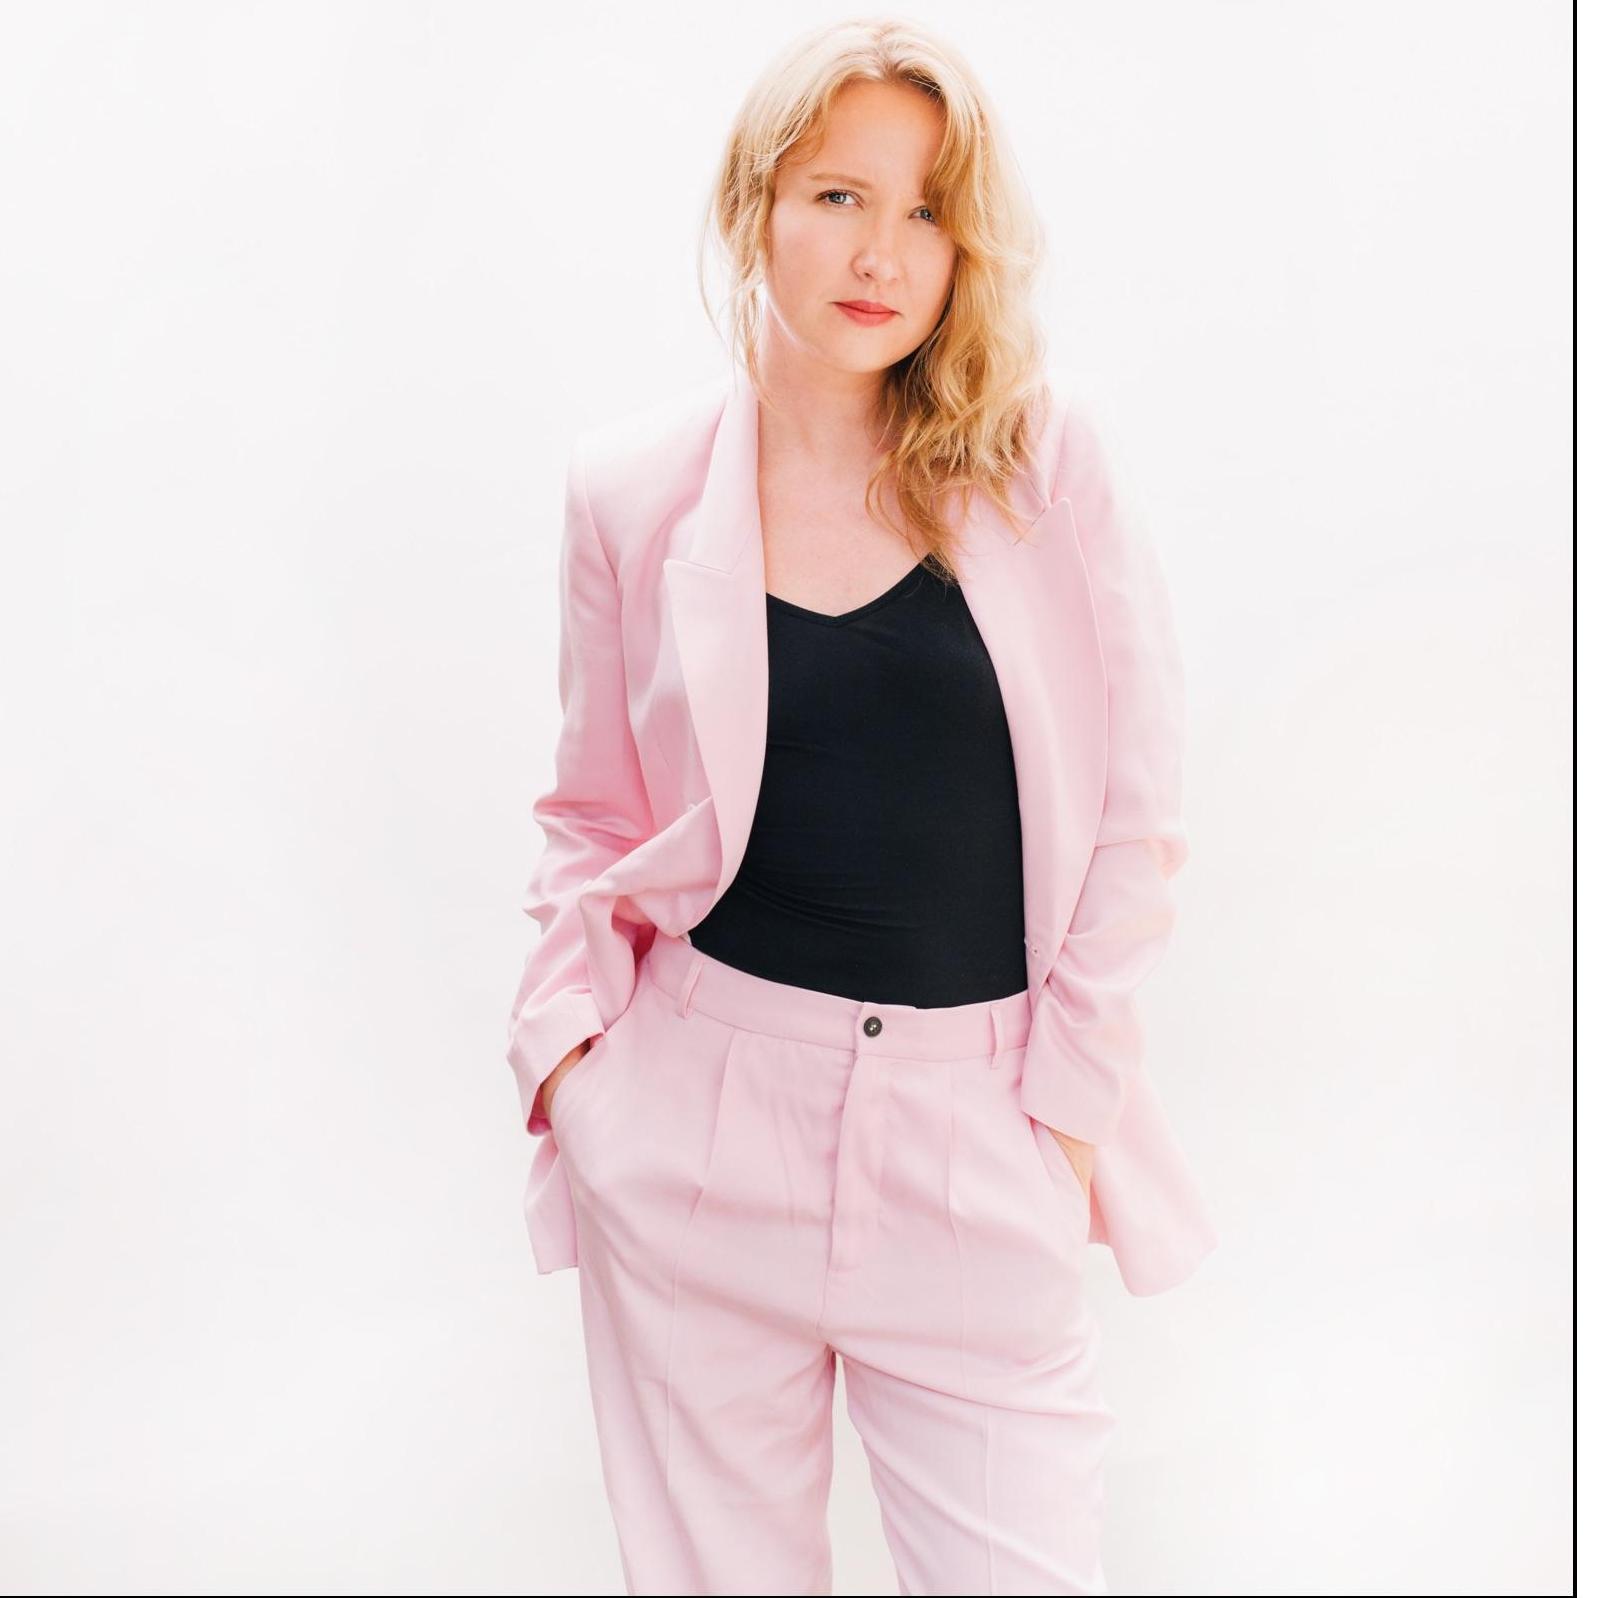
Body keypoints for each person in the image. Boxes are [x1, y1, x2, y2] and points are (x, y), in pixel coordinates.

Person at [506, 18, 1218, 1595]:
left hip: (977, 1139)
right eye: (836, 195)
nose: (881, 252)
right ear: (751, 201)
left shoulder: (1043, 460)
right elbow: (590, 811)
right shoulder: (626, 487)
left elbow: (1134, 818)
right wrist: (570, 1066)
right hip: (693, 1128)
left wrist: (1061, 1120)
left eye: (925, 210)